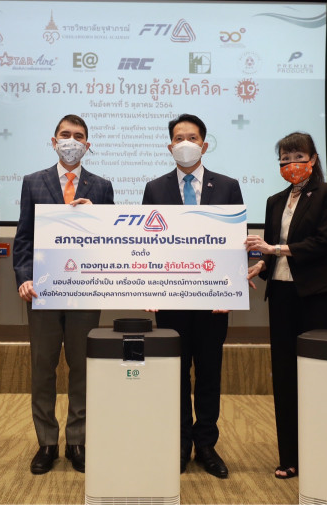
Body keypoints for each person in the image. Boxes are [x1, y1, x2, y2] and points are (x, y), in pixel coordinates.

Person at [142, 113, 243, 479]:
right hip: (171, 299)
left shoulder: (227, 186)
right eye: (179, 138)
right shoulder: (155, 188)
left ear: (204, 144)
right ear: (170, 146)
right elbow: (148, 244)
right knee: (177, 374)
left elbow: (235, 242)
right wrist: (150, 286)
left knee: (209, 373)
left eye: (192, 137)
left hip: (213, 299)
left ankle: (206, 445)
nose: (185, 143)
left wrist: (231, 289)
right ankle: (181, 443)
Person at [13, 114, 114, 475]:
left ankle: (76, 440)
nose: (72, 141)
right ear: (54, 141)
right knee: (43, 368)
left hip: (84, 291)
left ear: (88, 144)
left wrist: (97, 217)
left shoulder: (102, 186)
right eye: (65, 135)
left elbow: (110, 239)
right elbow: (23, 239)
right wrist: (24, 278)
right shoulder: (33, 182)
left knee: (81, 368)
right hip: (42, 292)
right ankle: (46, 442)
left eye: (79, 136)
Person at [246, 131, 327, 480]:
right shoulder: (275, 200)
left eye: (298, 157)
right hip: (282, 296)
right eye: (285, 159)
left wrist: (273, 250)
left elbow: (323, 242)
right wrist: (261, 264)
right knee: (285, 376)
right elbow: (273, 248)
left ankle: (321, 454)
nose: (292, 164)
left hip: (317, 295)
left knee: (318, 374)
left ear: (313, 159)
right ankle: (288, 456)